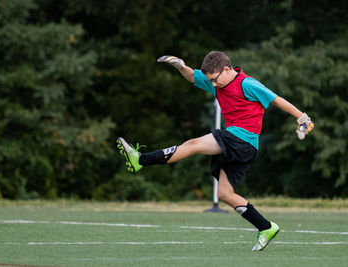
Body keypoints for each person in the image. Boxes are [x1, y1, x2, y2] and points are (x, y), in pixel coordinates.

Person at [116, 51, 314, 251]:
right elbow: (193, 76)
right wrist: (180, 66)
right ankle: (266, 227)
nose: (213, 84)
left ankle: (140, 160)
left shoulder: (247, 84)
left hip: (241, 140)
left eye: (215, 79)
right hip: (244, 148)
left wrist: (303, 118)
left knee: (193, 145)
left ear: (227, 70)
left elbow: (276, 100)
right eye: (210, 80)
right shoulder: (219, 83)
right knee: (225, 194)